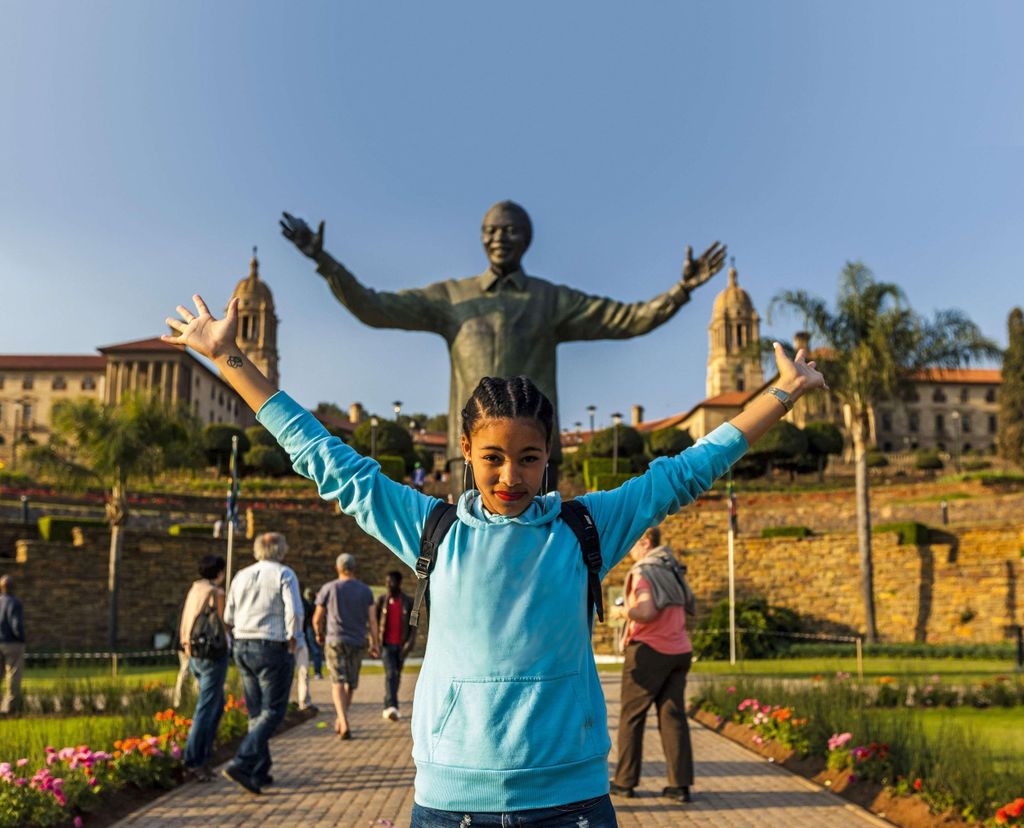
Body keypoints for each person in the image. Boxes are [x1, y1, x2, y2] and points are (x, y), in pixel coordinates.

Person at [163, 294, 824, 825]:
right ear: (466, 450)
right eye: (494, 458)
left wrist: (783, 393)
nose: (511, 475)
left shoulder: (586, 526)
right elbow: (327, 462)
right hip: (453, 801)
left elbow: (688, 470)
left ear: (550, 456)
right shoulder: (432, 526)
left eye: (529, 458)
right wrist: (232, 361)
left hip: (572, 800)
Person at [280, 202, 727, 492]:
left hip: (537, 453)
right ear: (481, 237)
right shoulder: (452, 298)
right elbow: (373, 307)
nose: (499, 237)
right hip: (469, 456)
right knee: (463, 558)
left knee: (540, 557)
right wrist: (323, 261)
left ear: (527, 238)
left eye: (510, 230)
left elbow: (627, 319)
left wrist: (680, 290)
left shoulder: (550, 300)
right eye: (491, 230)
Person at [609, 528, 696, 802]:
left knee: (631, 717)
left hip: (649, 652)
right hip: (679, 650)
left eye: (633, 543)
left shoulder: (644, 571)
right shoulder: (671, 567)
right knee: (673, 718)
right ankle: (679, 786)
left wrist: (621, 611)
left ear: (645, 542)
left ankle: (624, 782)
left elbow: (646, 612)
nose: (629, 549)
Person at [222, 532, 303, 795]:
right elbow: (295, 610)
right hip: (270, 645)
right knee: (274, 711)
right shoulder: (284, 573)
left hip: (243, 644)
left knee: (257, 712)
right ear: (280, 550)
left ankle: (259, 768)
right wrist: (295, 638)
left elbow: (228, 614)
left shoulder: (241, 575)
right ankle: (243, 762)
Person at [313, 553, 378, 739]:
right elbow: (373, 621)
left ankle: (342, 719)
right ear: (354, 568)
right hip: (357, 642)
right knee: (350, 683)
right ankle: (343, 719)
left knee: (337, 681)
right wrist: (375, 644)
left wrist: (318, 634)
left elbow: (317, 618)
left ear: (338, 568)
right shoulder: (366, 591)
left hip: (335, 640)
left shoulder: (329, 588)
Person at [179, 555, 228, 781]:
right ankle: (194, 760)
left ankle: (203, 758)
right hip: (212, 654)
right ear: (219, 572)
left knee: (215, 706)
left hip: (194, 652)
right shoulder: (215, 593)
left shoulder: (195, 590)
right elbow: (224, 622)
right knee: (207, 709)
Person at [375, 570, 416, 722]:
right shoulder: (381, 601)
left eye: (391, 582)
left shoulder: (408, 602)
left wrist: (409, 645)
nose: (388, 585)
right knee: (391, 674)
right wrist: (374, 643)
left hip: (401, 646)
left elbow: (413, 628)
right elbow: (375, 623)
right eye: (386, 582)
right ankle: (393, 706)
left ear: (399, 583)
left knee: (396, 676)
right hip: (386, 645)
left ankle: (387, 706)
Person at [0, 574, 25, 715]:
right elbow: (16, 624)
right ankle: (11, 707)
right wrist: (21, 638)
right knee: (13, 675)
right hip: (12, 643)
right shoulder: (15, 603)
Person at [302, 586, 324, 679]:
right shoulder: (314, 605)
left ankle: (311, 672)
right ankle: (316, 672)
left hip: (307, 628)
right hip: (310, 628)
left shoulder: (306, 604)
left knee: (311, 651)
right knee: (315, 651)